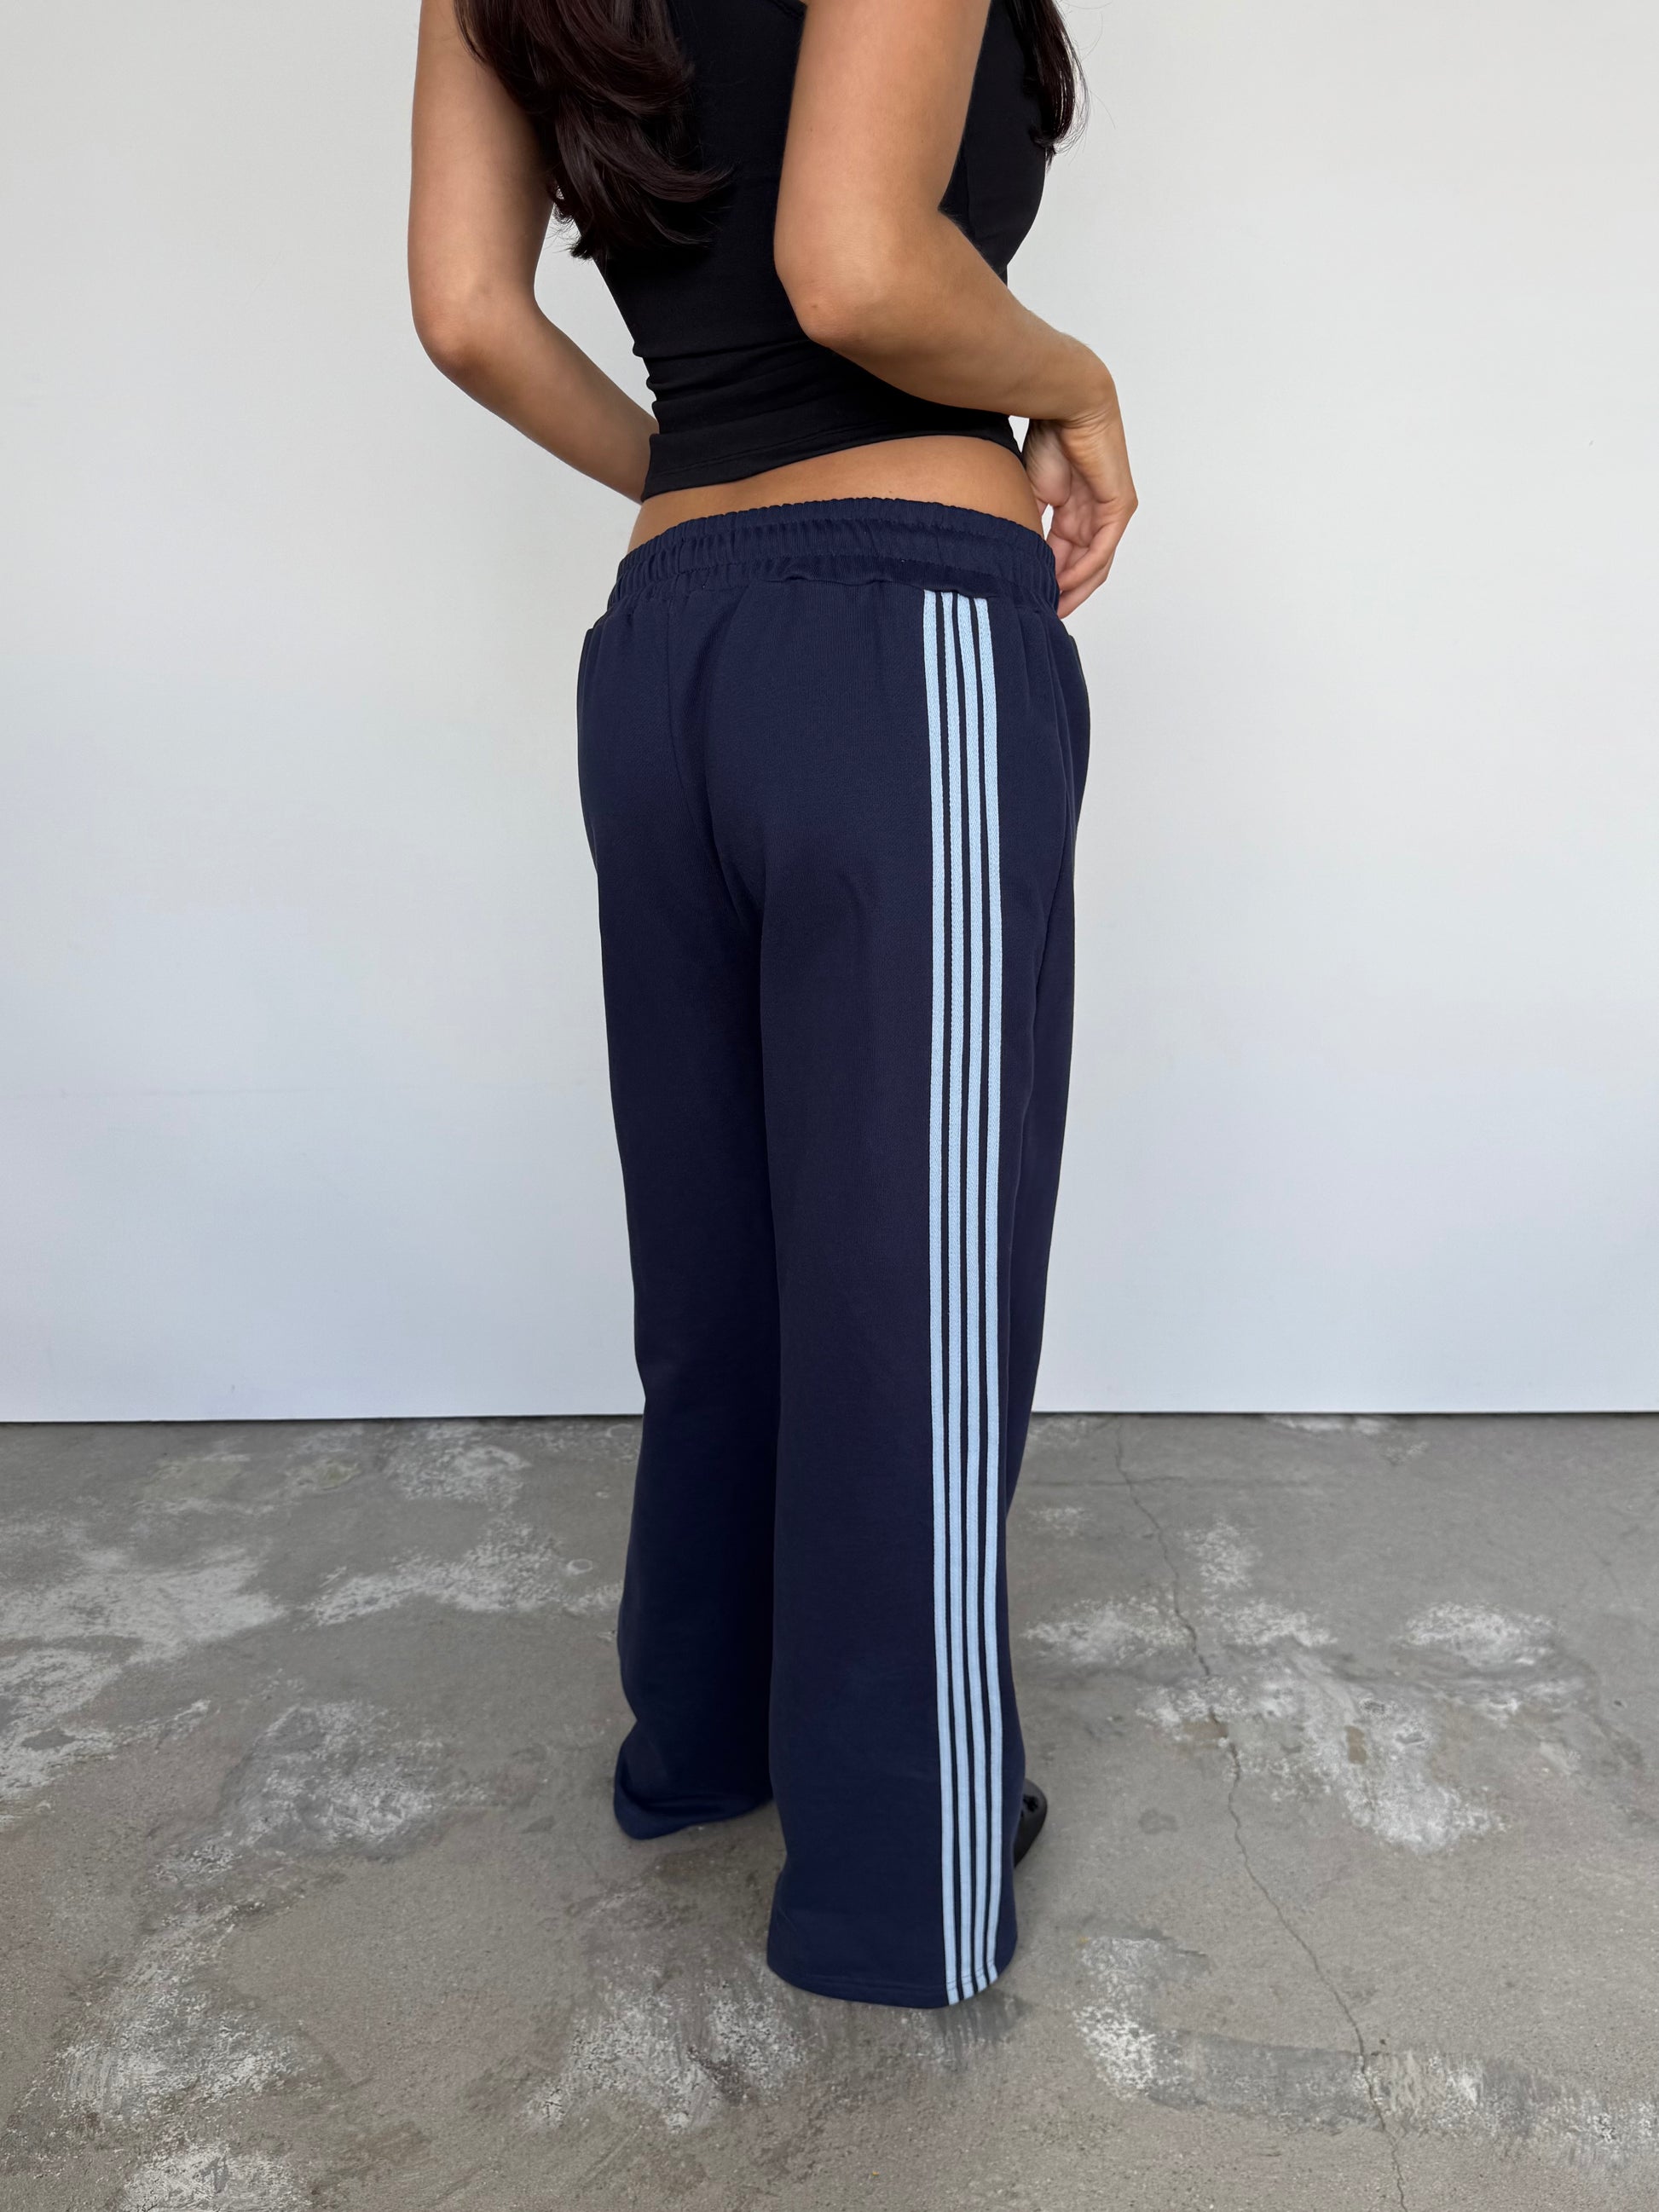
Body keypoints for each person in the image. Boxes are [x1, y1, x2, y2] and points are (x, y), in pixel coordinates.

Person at [408, 0, 1136, 2008]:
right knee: (911, 1295)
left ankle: (707, 1739)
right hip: (897, 635)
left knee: (718, 1269)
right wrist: (1076, 383)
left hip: (663, 644)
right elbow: (855, 261)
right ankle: (898, 1886)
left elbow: (466, 312)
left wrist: (703, 474)